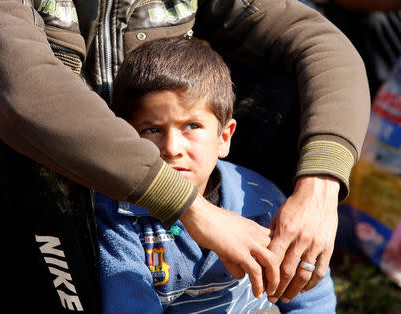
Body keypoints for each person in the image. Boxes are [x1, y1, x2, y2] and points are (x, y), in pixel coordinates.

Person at [0, 0, 369, 312]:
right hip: (17, 182)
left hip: (144, 182)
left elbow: (319, 43)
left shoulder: (254, 190)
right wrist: (193, 210)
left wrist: (319, 190)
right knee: (28, 170)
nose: (175, 143)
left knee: (286, 93)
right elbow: (25, 99)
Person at [96, 37, 337, 313]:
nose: (172, 148)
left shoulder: (262, 200)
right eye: (152, 129)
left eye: (191, 126)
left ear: (224, 137)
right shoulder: (120, 215)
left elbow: (311, 300)